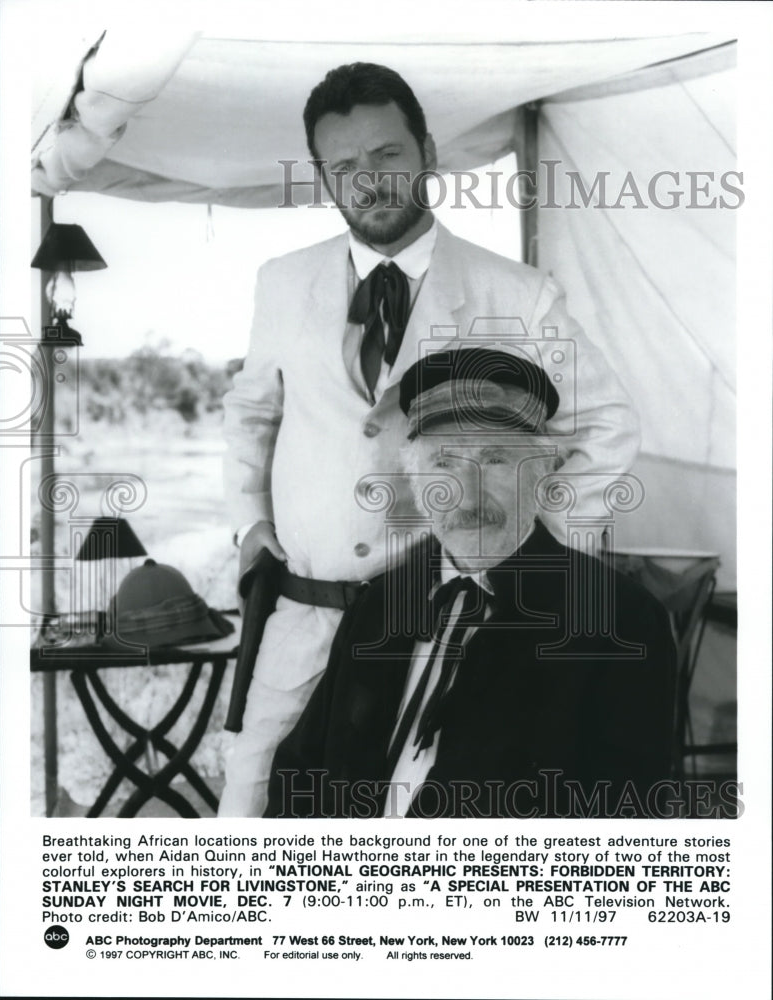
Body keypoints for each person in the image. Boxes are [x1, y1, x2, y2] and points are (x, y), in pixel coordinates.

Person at [219, 63, 640, 817]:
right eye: (344, 166)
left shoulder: (515, 293)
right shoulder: (280, 282)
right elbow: (252, 414)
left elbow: (606, 423)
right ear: (323, 178)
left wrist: (524, 550)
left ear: (427, 153)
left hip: (432, 628)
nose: (369, 180)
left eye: (386, 155)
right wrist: (251, 523)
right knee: (252, 821)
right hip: (302, 615)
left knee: (406, 822)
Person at [265, 349, 676, 819]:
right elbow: (301, 774)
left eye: (495, 459)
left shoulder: (618, 622)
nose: (468, 492)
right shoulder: (379, 603)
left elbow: (625, 821)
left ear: (542, 472)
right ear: (415, 478)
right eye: (445, 462)